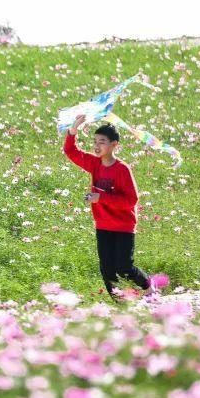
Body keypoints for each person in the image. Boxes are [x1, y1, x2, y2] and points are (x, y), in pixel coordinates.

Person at [65, 113, 153, 299]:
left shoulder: (122, 169)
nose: (97, 146)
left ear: (114, 145)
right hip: (103, 225)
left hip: (123, 226)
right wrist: (73, 130)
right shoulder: (94, 164)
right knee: (107, 269)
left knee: (124, 267)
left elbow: (131, 201)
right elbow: (71, 152)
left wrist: (100, 197)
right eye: (95, 141)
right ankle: (120, 303)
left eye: (102, 142)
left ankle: (148, 285)